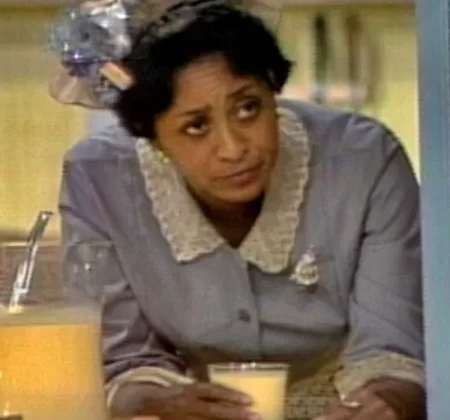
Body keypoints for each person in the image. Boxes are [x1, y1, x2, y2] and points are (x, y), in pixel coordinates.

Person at [53, 0, 426, 419]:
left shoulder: (364, 158)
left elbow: (396, 351)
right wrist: (158, 401)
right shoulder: (99, 178)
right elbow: (122, 363)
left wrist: (387, 400)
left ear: (273, 91)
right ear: (152, 137)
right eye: (196, 126)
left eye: (248, 108)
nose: (233, 149)